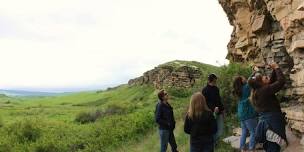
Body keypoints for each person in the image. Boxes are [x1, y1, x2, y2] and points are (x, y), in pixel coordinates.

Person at [248, 63, 288, 152]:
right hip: (272, 123)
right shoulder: (264, 90)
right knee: (273, 148)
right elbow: (281, 82)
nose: (267, 77)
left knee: (271, 146)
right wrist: (277, 68)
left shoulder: (257, 91)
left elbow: (271, 82)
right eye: (264, 77)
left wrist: (274, 69)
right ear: (261, 83)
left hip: (266, 123)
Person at [233, 76, 258, 152]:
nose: (245, 78)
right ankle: (251, 148)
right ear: (241, 81)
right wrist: (254, 74)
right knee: (253, 132)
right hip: (248, 113)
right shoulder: (246, 87)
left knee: (244, 131)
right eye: (243, 78)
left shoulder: (238, 90)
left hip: (241, 113)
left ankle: (242, 148)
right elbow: (251, 81)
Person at [202, 73, 224, 143]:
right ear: (212, 80)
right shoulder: (205, 90)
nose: (216, 81)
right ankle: (213, 144)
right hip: (211, 113)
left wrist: (222, 109)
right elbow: (205, 103)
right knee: (213, 129)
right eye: (215, 80)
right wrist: (213, 108)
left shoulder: (216, 89)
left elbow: (219, 100)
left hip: (219, 112)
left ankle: (214, 142)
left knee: (220, 130)